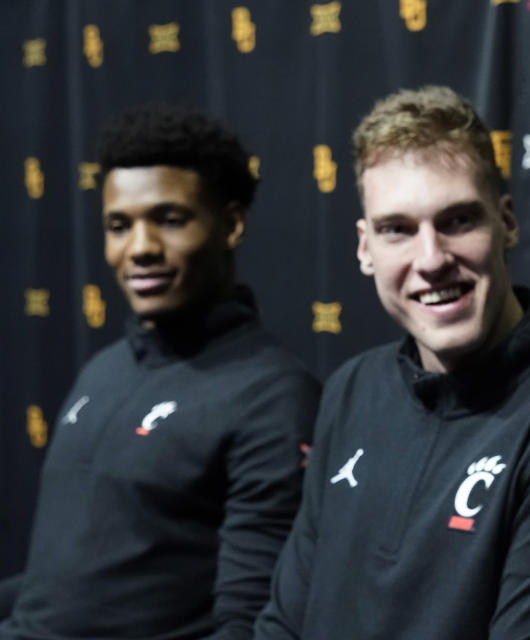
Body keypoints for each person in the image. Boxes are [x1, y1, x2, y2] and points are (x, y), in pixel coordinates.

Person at [254, 86, 530, 639]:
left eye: (457, 220)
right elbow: (283, 621)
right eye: (397, 229)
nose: (430, 260)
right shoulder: (352, 388)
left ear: (507, 220)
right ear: (365, 247)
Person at [0, 104, 321, 639]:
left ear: (232, 225)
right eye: (118, 226)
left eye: (169, 220)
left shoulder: (274, 396)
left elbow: (248, 623)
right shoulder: (103, 370)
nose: (140, 248)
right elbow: (62, 591)